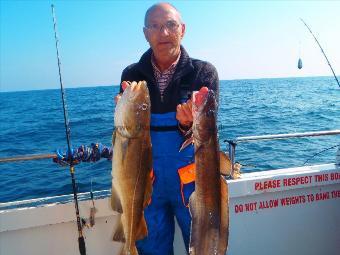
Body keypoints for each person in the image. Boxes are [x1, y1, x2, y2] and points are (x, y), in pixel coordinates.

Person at [115, 3, 219, 255]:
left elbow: (208, 129)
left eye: (170, 25)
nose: (163, 33)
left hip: (193, 183)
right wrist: (121, 112)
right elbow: (127, 135)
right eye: (155, 26)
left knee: (203, 247)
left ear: (182, 29)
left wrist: (188, 125)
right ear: (145, 33)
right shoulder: (132, 74)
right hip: (147, 181)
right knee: (151, 248)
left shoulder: (203, 72)